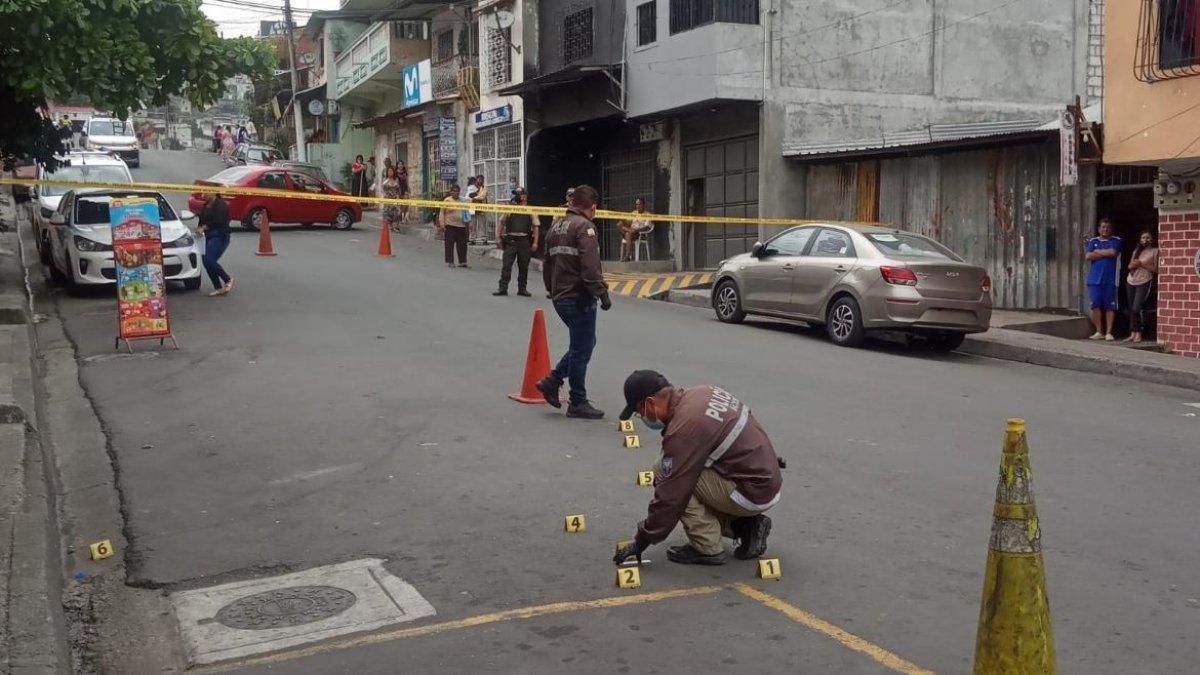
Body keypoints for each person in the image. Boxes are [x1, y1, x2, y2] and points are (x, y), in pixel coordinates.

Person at [612, 371, 782, 566]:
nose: (643, 417)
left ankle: (708, 548)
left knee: (670, 476)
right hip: (764, 478)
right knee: (683, 472)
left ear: (650, 403)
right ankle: (745, 527)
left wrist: (642, 540)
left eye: (639, 412)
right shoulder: (702, 393)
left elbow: (671, 495)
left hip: (751, 490)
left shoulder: (685, 427)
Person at [536, 185, 611, 419]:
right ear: (593, 207)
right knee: (582, 349)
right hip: (579, 297)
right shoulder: (585, 227)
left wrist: (552, 289)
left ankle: (553, 380)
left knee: (585, 343)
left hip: (560, 296)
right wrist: (601, 292)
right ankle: (577, 401)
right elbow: (590, 266)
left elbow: (547, 263)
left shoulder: (556, 225)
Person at [493, 187, 538, 297]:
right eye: (516, 194)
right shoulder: (509, 208)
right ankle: (502, 288)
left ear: (524, 196)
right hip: (511, 241)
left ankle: (522, 289)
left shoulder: (530, 209)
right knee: (506, 265)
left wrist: (535, 243)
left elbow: (535, 227)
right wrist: (498, 237)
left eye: (519, 194)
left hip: (524, 241)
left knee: (524, 266)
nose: (517, 196)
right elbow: (502, 223)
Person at [1085, 218, 1122, 341]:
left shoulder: (1116, 240)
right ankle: (1099, 331)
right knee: (1095, 305)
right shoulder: (1093, 241)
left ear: (1110, 229)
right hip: (1094, 279)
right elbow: (1088, 255)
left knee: (1109, 307)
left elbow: (1113, 253)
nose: (1105, 229)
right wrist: (1103, 253)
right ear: (1099, 229)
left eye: (1107, 227)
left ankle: (1109, 332)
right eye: (1103, 227)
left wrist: (1097, 252)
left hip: (1110, 279)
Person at [196, 192, 235, 296]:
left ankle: (227, 279)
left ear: (213, 193)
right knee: (206, 261)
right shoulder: (205, 205)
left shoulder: (221, 205)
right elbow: (201, 220)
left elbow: (219, 220)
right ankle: (218, 287)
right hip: (207, 236)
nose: (204, 195)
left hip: (220, 236)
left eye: (206, 192)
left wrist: (205, 227)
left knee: (209, 259)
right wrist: (199, 228)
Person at [1125, 229, 1159, 343]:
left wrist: (1142, 264)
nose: (1145, 240)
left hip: (1144, 281)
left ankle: (1139, 332)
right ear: (1140, 240)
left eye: (1148, 237)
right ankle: (1132, 333)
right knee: (1131, 308)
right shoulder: (1136, 251)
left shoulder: (1155, 251)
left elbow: (1156, 269)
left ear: (1152, 239)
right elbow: (1129, 266)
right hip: (1131, 280)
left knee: (1136, 308)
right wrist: (1133, 265)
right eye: (1143, 238)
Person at [438, 184, 470, 268]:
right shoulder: (447, 200)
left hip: (461, 225)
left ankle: (462, 261)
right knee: (449, 244)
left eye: (457, 191)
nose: (456, 193)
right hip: (450, 225)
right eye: (454, 191)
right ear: (451, 192)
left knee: (462, 244)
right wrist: (442, 224)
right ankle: (450, 261)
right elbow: (442, 212)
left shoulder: (462, 200)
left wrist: (468, 224)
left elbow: (466, 212)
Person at [617, 197, 653, 262]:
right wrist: (623, 219)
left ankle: (628, 256)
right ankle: (627, 236)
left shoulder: (647, 214)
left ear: (643, 205)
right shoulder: (634, 213)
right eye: (636, 204)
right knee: (619, 224)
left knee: (628, 234)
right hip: (631, 230)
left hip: (639, 233)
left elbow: (647, 227)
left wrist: (636, 230)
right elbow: (629, 222)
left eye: (639, 204)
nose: (638, 206)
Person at [381, 166, 402, 232]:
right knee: (388, 213)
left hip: (395, 198)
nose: (390, 172)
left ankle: (396, 226)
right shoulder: (385, 180)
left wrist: (398, 196)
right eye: (389, 171)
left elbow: (398, 189)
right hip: (387, 199)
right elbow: (383, 188)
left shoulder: (396, 180)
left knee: (396, 212)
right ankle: (389, 226)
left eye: (391, 171)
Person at [471, 174, 489, 242]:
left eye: (481, 179)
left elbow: (483, 196)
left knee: (482, 224)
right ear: (476, 180)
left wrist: (475, 198)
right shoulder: (472, 188)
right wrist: (474, 197)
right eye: (479, 179)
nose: (480, 181)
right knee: (473, 225)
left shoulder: (484, 188)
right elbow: (469, 196)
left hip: (481, 208)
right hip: (472, 208)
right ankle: (472, 239)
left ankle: (484, 239)